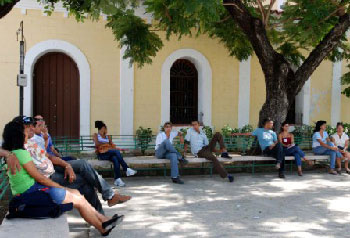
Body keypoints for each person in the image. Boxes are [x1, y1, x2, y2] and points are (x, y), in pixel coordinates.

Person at [2, 119, 123, 236]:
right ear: (18, 135)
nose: (27, 132)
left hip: (31, 191)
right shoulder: (20, 153)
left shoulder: (13, 153)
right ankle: (102, 225)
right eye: (24, 130)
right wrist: (62, 188)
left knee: (77, 192)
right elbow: (41, 179)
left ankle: (104, 221)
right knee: (79, 198)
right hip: (32, 194)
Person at [93, 121, 137, 187]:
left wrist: (118, 148)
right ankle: (126, 169)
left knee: (115, 159)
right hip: (101, 154)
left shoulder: (108, 137)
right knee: (116, 152)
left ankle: (117, 179)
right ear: (102, 128)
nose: (106, 130)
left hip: (109, 152)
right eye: (105, 128)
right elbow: (97, 144)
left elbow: (112, 146)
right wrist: (107, 145)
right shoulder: (96, 135)